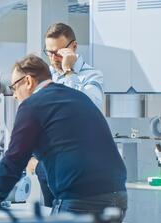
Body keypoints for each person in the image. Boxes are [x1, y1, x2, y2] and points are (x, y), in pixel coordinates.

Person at [0, 55, 127, 223]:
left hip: (80, 199)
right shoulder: (77, 96)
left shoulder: (32, 106)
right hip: (117, 195)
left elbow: (13, 163)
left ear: (29, 81)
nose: (14, 95)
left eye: (14, 87)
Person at [29, 22, 106, 206]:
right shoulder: (49, 78)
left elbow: (87, 109)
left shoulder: (91, 76)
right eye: (49, 52)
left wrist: (69, 71)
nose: (53, 58)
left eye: (59, 52)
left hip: (77, 168)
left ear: (73, 47)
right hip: (48, 165)